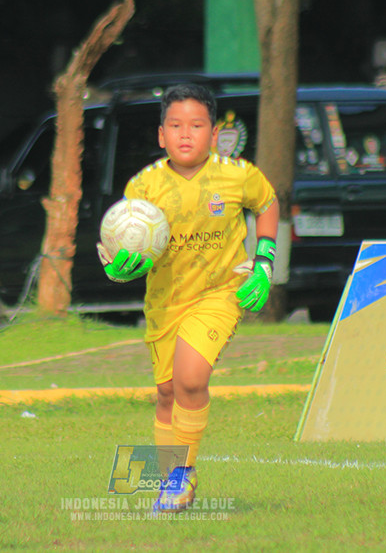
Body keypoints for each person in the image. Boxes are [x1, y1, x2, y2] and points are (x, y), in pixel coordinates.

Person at [98, 83, 280, 512]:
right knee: (166, 393)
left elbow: (268, 202)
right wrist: (116, 266)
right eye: (175, 125)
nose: (186, 134)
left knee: (191, 380)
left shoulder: (236, 174)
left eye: (197, 125)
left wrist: (265, 261)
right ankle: (173, 478)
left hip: (220, 293)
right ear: (161, 135)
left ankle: (180, 476)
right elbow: (118, 241)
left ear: (214, 134)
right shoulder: (143, 187)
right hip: (165, 303)